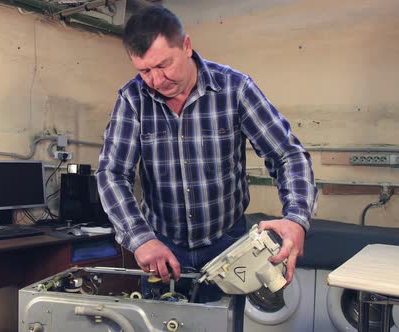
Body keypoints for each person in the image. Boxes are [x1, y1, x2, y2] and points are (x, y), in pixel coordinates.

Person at [95, 6, 317, 302]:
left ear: (186, 46)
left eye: (164, 65)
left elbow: (287, 155)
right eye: (145, 71)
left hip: (227, 245)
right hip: (161, 248)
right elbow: (112, 174)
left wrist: (296, 218)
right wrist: (140, 239)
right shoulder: (132, 98)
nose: (157, 81)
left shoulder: (235, 88)